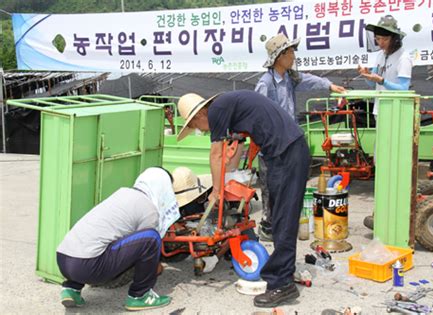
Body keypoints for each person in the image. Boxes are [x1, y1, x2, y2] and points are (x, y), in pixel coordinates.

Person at [176, 90, 310, 307]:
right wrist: (231, 181)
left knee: (284, 219)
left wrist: (217, 190)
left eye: (196, 127)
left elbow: (216, 154)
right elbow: (235, 151)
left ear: (199, 115)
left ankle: (283, 284)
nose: (200, 131)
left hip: (287, 152)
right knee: (277, 218)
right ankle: (284, 270)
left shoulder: (217, 110)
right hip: (282, 152)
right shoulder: (229, 108)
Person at [255, 33, 346, 241]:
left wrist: (329, 86)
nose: (294, 55)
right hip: (272, 145)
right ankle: (268, 226)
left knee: (288, 183)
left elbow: (307, 80)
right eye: (290, 52)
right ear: (279, 56)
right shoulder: (266, 83)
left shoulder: (289, 77)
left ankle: (283, 223)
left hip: (288, 141)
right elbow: (258, 113)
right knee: (271, 186)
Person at [56, 167, 180, 311]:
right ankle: (140, 296)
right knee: (152, 238)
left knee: (97, 237)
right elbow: (146, 250)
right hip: (89, 267)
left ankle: (71, 289)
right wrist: (154, 267)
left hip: (63, 260)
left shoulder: (121, 193)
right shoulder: (149, 209)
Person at [358, 15, 413, 229]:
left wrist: (381, 81)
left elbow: (403, 88)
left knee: (393, 160)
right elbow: (375, 77)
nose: (380, 42)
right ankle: (382, 207)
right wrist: (366, 75)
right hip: (380, 110)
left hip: (396, 113)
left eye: (383, 39)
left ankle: (395, 207)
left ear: (394, 38)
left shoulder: (403, 57)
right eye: (377, 38)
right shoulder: (380, 56)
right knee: (380, 160)